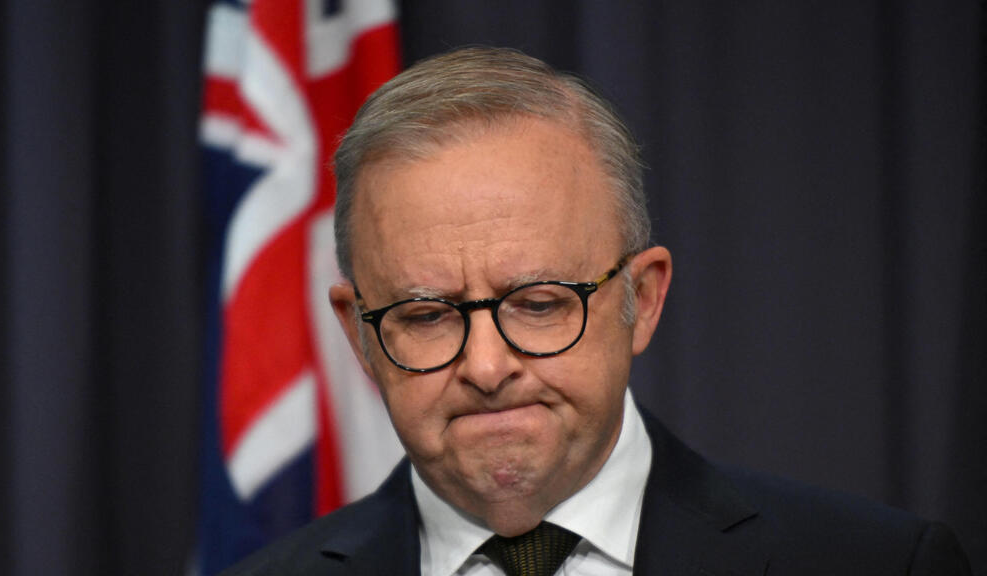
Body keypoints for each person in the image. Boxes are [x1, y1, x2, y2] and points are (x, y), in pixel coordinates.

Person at [222, 46, 970, 576]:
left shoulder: (874, 564)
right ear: (360, 335)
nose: (486, 367)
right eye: (426, 316)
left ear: (641, 300)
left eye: (540, 302)